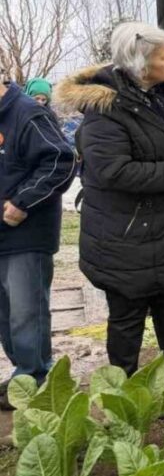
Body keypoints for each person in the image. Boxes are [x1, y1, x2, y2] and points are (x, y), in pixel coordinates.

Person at [54, 22, 164, 389]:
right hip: (125, 234)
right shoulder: (105, 107)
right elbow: (115, 172)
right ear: (141, 65)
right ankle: (123, 387)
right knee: (127, 315)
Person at [0, 76, 76, 393]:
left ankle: (36, 378)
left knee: (26, 313)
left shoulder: (28, 113)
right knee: (5, 316)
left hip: (25, 233)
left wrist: (23, 202)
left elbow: (60, 160)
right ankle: (24, 376)